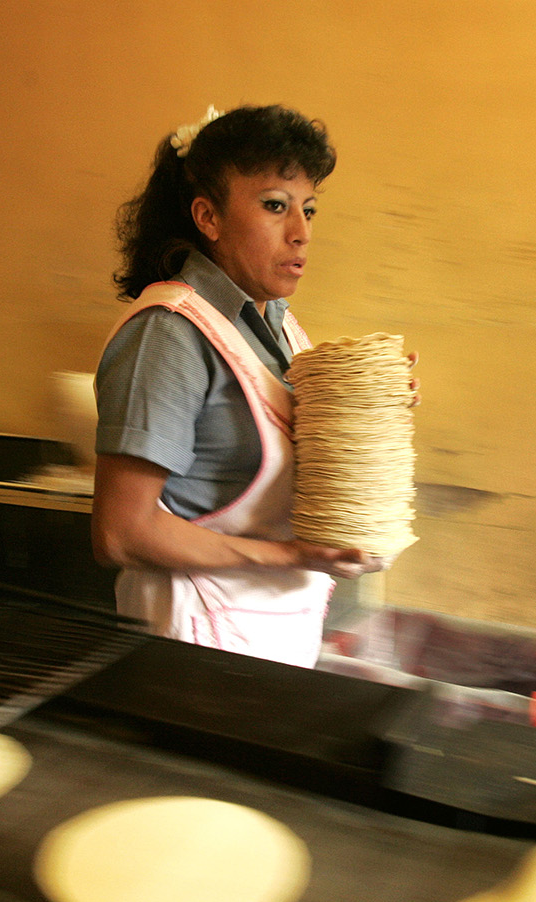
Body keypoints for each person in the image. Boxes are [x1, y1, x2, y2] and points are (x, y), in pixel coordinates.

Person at [92, 104, 404, 667]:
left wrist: (372, 411)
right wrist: (286, 555)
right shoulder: (168, 334)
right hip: (194, 635)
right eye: (275, 206)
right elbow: (122, 533)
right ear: (208, 218)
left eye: (308, 209)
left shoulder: (280, 326)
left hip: (272, 631)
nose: (301, 233)